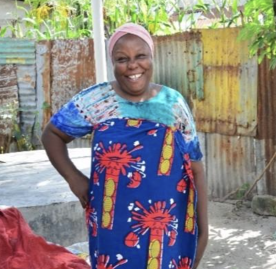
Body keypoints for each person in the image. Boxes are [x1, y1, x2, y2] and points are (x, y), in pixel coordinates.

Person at [41, 23, 209, 269]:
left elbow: (195, 168)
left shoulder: (172, 103)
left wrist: (203, 232)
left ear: (152, 57)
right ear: (113, 62)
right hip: (112, 222)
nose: (133, 65)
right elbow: (52, 134)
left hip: (167, 225)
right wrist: (74, 179)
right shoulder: (97, 101)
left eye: (141, 56)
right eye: (122, 59)